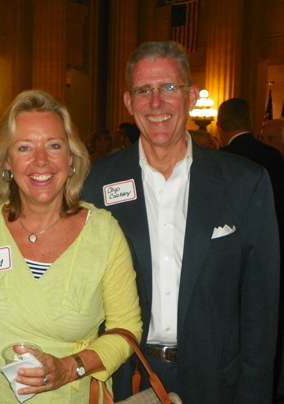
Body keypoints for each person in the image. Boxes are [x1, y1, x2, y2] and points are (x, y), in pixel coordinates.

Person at [83, 41, 279, 404]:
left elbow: (261, 309)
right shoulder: (96, 183)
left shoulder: (244, 182)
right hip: (129, 373)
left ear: (190, 96)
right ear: (129, 102)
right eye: (144, 90)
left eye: (169, 88)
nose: (156, 103)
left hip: (217, 379)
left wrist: (254, 393)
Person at [0, 89, 142, 404]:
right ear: (6, 161)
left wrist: (69, 368)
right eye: (24, 147)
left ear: (72, 158)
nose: (40, 161)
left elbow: (126, 329)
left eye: (53, 146)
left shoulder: (103, 232)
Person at [217, 97, 284, 401]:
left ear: (220, 126)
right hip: (276, 255)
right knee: (270, 328)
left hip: (235, 267)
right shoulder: (277, 158)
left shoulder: (219, 164)